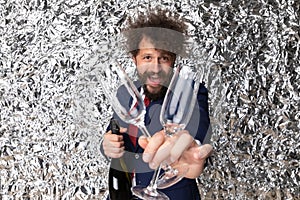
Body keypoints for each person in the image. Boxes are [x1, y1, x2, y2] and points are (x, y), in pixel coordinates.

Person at [101, 8, 213, 200]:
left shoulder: (191, 91)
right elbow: (116, 134)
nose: (155, 68)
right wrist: (107, 146)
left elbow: (198, 131)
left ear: (174, 60)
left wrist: (190, 148)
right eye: (147, 58)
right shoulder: (124, 93)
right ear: (134, 59)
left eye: (164, 58)